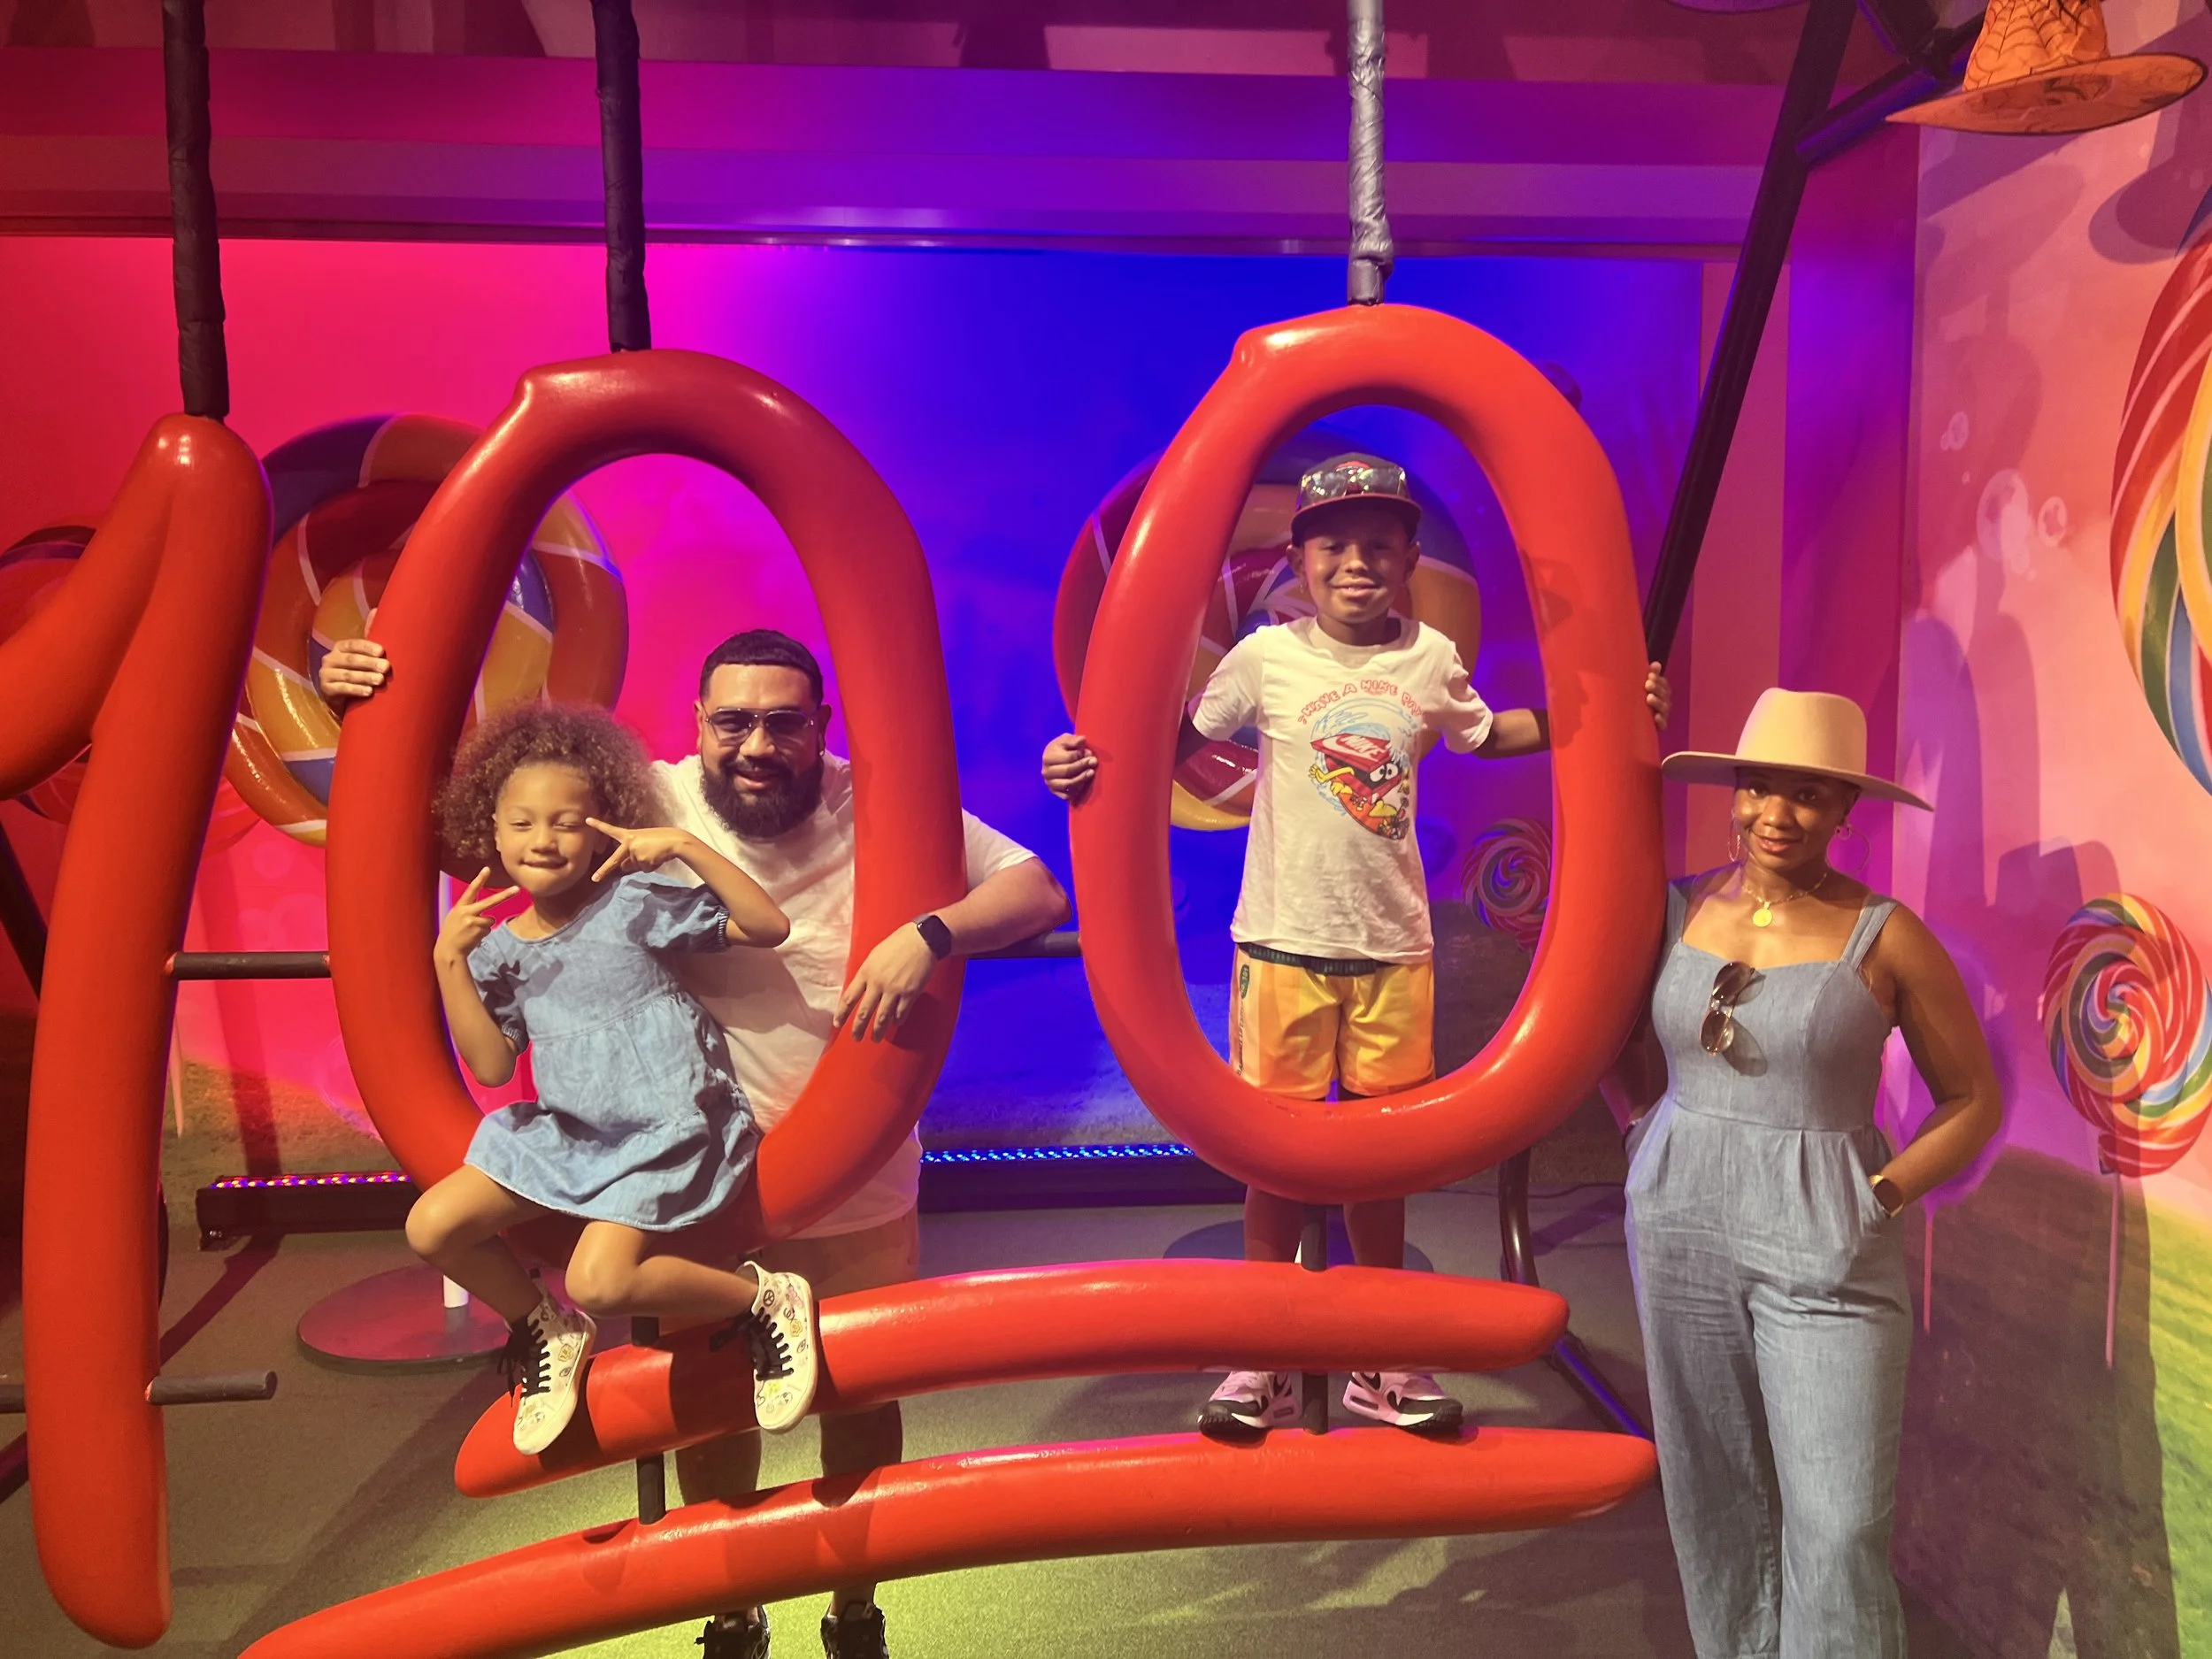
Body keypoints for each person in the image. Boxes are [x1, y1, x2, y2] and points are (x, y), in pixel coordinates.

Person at [321, 626, 1069, 1659]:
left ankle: (854, 1599)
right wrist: (354, 702)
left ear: (821, 726)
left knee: (859, 1392)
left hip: (858, 1169)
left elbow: (1035, 889)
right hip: (686, 1172)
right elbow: (474, 821)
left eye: (782, 722)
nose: (755, 743)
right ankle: (732, 1600)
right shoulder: (648, 800)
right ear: (698, 726)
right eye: (732, 721)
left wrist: (928, 933)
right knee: (705, 1401)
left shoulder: (880, 803)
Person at [1041, 451, 1670, 1439]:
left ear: (1411, 556)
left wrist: (1594, 720)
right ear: (1297, 559)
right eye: (1333, 545)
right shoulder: (1265, 658)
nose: (1356, 563)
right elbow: (1176, 740)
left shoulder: (1426, 659)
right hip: (1284, 943)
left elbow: (1481, 735)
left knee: (1384, 1160)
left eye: (1379, 545)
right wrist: (1084, 757)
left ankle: (1383, 1354)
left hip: (1392, 948)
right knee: (1273, 1157)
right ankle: (1267, 1356)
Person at [1603, 687, 2001, 1658]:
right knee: (1712, 1484)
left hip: (1826, 1235)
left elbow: (1972, 1099)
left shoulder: (1885, 934)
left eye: (1808, 796)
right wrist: (1638, 1133)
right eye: (1758, 789)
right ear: (1732, 792)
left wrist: (1880, 1195)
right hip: (1678, 1221)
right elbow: (1606, 1037)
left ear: (1844, 810)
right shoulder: (1677, 906)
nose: (1775, 816)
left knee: (1840, 1519)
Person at [403, 702, 818, 1456]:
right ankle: (542, 1325)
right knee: (430, 1224)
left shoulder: (631, 903)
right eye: (522, 822)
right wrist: (448, 963)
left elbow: (767, 926)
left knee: (600, 1281)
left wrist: (686, 846)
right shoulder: (498, 951)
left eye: (566, 820)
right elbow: (493, 1065)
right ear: (489, 830)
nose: (544, 839)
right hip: (574, 1132)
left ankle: (765, 1298)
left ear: (603, 823)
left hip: (667, 1125)